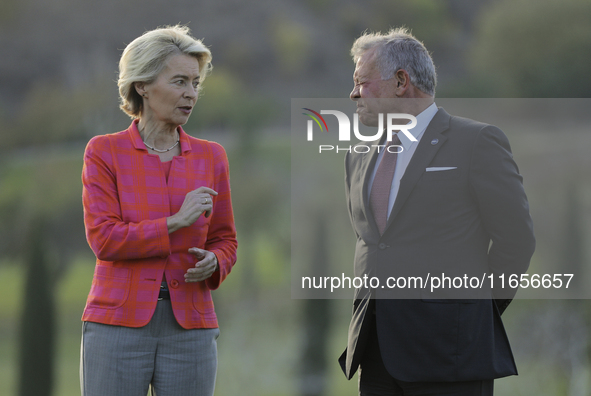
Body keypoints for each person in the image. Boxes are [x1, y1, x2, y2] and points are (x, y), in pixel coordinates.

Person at [338, 28, 536, 396]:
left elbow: (517, 240)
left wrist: (471, 315)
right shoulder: (357, 157)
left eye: (361, 82)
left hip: (451, 355)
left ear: (401, 82)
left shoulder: (477, 142)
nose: (352, 94)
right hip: (376, 355)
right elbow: (375, 245)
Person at [80, 25, 237, 396]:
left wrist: (216, 261)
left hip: (191, 329)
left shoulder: (211, 156)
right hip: (117, 325)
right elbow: (105, 239)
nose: (191, 94)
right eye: (180, 81)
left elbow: (225, 239)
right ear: (142, 85)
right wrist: (175, 222)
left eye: (195, 83)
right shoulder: (104, 152)